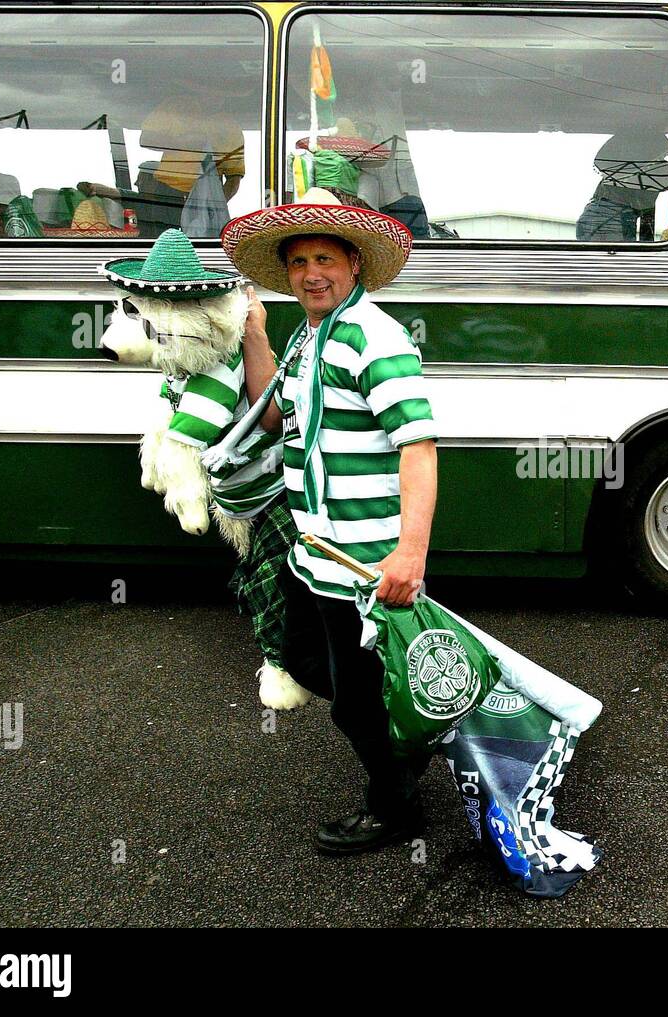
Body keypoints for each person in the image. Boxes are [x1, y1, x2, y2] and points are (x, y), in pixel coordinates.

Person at [221, 187, 438, 854]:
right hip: (314, 550)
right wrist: (254, 335)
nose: (311, 273)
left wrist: (409, 554)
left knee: (356, 700)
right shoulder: (308, 337)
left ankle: (394, 805)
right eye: (298, 262)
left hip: (365, 559)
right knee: (298, 654)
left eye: (325, 259)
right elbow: (275, 410)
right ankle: (407, 743)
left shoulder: (376, 337)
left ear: (353, 265)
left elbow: (419, 447)